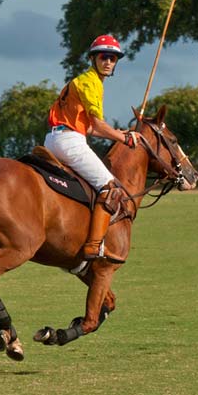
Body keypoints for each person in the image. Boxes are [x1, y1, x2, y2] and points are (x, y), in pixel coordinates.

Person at [44, 34, 140, 261]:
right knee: (110, 188)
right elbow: (97, 124)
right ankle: (95, 245)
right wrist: (124, 138)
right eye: (104, 57)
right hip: (69, 142)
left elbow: (90, 129)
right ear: (93, 59)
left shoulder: (83, 80)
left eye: (113, 58)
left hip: (55, 139)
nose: (108, 62)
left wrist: (119, 134)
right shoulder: (91, 82)